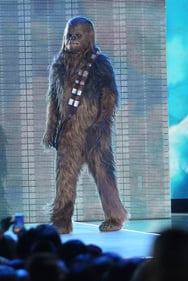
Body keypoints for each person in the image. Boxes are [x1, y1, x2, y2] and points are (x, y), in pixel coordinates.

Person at [42, 16, 128, 234]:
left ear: (88, 37)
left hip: (95, 132)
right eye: (69, 36)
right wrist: (50, 129)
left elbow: (109, 96)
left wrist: (102, 123)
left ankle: (115, 217)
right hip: (69, 132)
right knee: (64, 178)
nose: (72, 40)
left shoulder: (100, 64)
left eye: (77, 36)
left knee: (103, 174)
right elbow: (53, 100)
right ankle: (61, 220)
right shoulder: (59, 64)